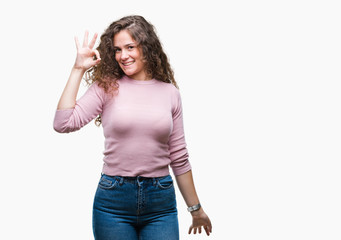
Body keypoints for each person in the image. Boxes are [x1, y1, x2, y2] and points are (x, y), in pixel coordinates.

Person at [53, 15, 212, 240]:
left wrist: (196, 210)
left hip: (160, 204)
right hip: (113, 203)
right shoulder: (106, 87)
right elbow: (63, 123)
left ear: (147, 48)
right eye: (118, 49)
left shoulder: (170, 93)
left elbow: (178, 155)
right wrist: (78, 68)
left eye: (130, 47)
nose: (123, 56)